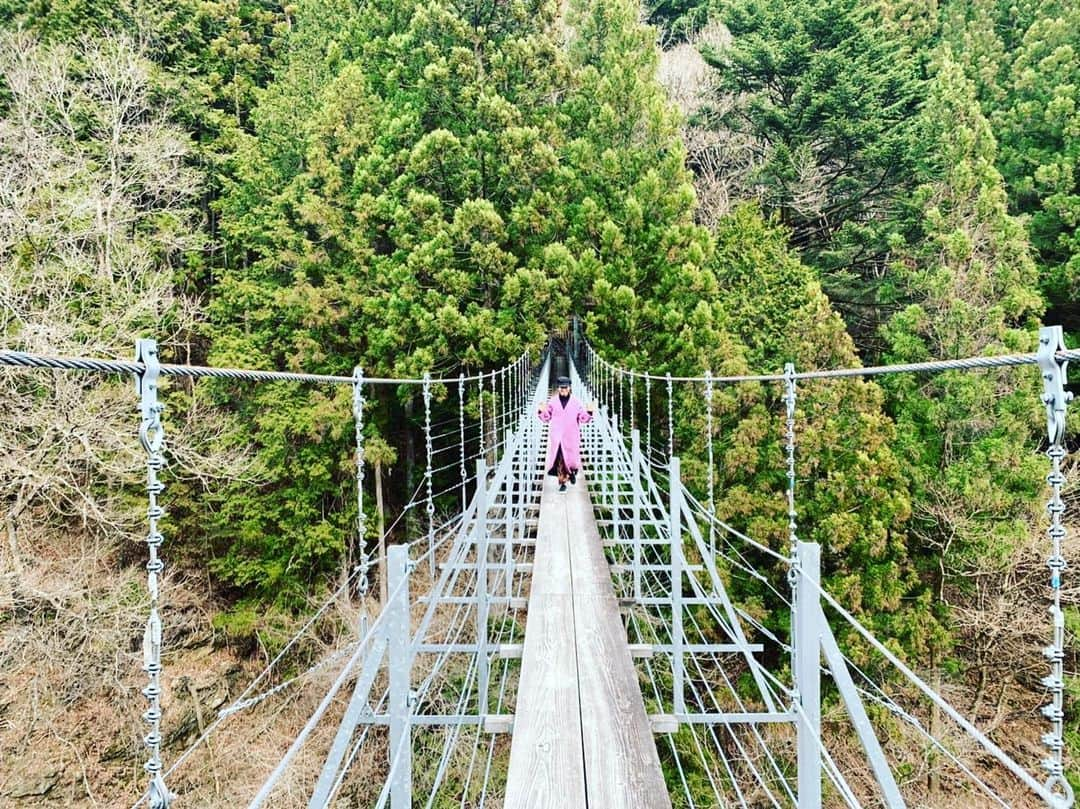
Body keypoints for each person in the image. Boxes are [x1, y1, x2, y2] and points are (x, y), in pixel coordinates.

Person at [537, 375, 594, 492]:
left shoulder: (576, 402)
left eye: (566, 387)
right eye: (561, 388)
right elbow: (546, 417)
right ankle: (562, 482)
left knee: (572, 460)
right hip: (557, 436)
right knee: (560, 460)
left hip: (572, 436)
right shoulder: (553, 402)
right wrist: (542, 410)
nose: (563, 390)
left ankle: (572, 472)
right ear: (558, 388)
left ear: (569, 388)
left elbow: (583, 418)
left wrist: (589, 411)